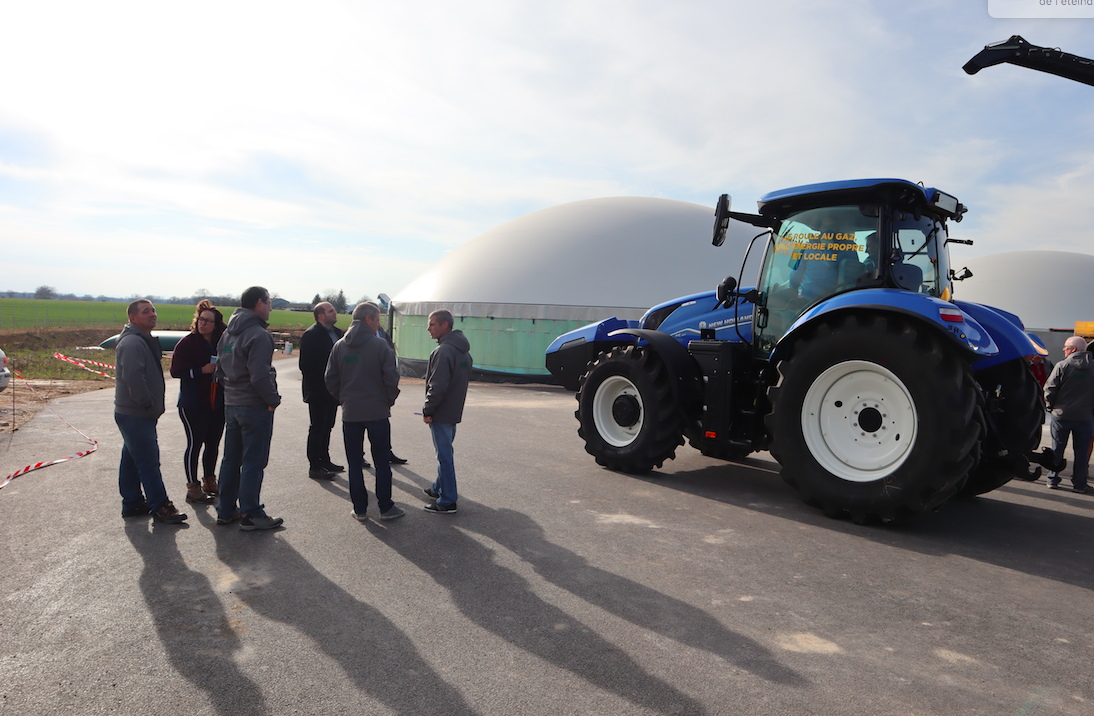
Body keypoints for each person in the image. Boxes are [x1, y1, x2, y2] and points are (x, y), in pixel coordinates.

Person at [324, 302, 404, 521]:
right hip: (377, 412)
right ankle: (386, 507)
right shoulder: (380, 346)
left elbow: (330, 379)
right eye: (377, 320)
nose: (379, 324)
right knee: (381, 462)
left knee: (354, 463)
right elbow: (392, 378)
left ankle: (359, 509)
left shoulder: (340, 346)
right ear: (368, 319)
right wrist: (387, 400)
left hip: (350, 414)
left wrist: (344, 399)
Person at [215, 286, 285, 530]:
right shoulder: (258, 334)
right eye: (268, 302)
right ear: (258, 304)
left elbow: (220, 370)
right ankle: (251, 513)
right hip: (254, 406)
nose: (270, 307)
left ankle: (225, 510)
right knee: (254, 461)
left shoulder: (227, 334)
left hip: (232, 404)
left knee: (231, 459)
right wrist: (272, 399)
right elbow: (259, 375)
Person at [114, 299, 187, 524]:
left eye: (153, 310)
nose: (152, 314)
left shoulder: (141, 340)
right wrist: (146, 402)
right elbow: (133, 377)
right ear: (133, 318)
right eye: (146, 312)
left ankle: (132, 503)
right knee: (148, 462)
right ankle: (161, 506)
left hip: (135, 413)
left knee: (132, 459)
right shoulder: (133, 343)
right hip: (136, 412)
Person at [169, 300, 227, 504]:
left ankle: (209, 480)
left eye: (208, 321)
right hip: (193, 403)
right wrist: (200, 371)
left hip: (217, 402)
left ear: (217, 324)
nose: (203, 324)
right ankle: (192, 487)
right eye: (201, 319)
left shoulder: (222, 343)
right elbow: (175, 371)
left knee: (213, 443)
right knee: (195, 444)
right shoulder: (187, 343)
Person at [421, 309, 472, 514]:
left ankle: (447, 501)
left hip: (441, 413)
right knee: (446, 452)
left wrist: (427, 409)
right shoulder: (464, 352)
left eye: (432, 324)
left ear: (445, 326)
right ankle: (437, 488)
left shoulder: (443, 352)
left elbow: (438, 386)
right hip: (453, 412)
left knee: (444, 457)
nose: (428, 328)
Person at [300, 301, 347, 479]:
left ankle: (325, 460)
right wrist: (322, 386)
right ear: (320, 316)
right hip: (319, 391)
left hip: (334, 391)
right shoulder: (311, 335)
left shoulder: (337, 333)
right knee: (318, 427)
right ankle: (315, 466)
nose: (335, 313)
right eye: (331, 311)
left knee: (328, 426)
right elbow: (306, 366)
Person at [1043, 335, 1094, 495]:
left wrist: (1051, 407)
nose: (1064, 349)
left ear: (1073, 349)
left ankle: (1053, 479)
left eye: (1066, 347)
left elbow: (1050, 389)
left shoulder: (1062, 365)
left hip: (1061, 416)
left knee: (1057, 449)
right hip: (1085, 418)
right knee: (1082, 452)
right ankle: (1079, 484)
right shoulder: (1093, 367)